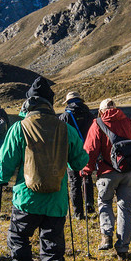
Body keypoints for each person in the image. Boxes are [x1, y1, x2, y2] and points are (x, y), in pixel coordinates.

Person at [0, 77, 88, 261]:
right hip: (56, 204)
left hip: (26, 200)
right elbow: (80, 161)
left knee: (17, 238)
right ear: (50, 103)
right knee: (53, 250)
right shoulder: (64, 129)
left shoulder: (20, 127)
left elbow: (4, 166)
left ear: (28, 102)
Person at [81, 98, 131, 260]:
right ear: (116, 109)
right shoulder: (129, 122)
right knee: (125, 208)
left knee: (105, 202)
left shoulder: (98, 124)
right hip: (128, 172)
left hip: (106, 173)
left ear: (101, 111)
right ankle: (123, 249)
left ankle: (106, 236)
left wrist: (86, 170)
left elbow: (90, 150)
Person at [58, 91, 95, 219]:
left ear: (68, 102)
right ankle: (89, 203)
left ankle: (78, 212)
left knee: (74, 182)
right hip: (88, 152)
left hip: (71, 153)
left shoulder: (64, 117)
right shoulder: (90, 115)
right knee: (87, 177)